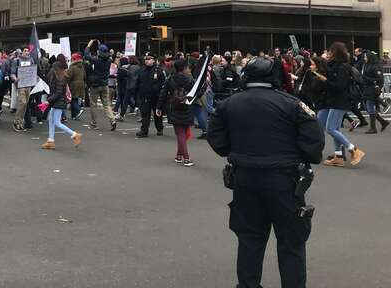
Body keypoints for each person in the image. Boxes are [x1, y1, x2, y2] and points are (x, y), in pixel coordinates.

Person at [207, 57, 325, 288]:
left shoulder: (230, 103)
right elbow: (314, 139)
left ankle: (248, 284)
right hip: (284, 179)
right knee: (291, 243)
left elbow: (216, 137)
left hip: (244, 178)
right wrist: (301, 156)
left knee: (249, 239)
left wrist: (234, 152)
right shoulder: (290, 103)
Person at [319, 42, 366, 166]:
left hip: (339, 102)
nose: (328, 54)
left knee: (331, 128)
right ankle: (338, 156)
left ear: (336, 53)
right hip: (333, 101)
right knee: (334, 129)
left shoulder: (342, 68)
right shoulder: (335, 66)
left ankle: (353, 149)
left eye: (331, 52)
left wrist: (325, 80)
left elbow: (339, 86)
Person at [156, 59, 195, 166]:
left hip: (174, 107)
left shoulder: (170, 79)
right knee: (183, 133)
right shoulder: (191, 80)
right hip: (187, 107)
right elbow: (197, 94)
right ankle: (186, 157)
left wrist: (159, 107)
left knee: (180, 133)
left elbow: (163, 94)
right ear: (184, 68)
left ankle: (179, 155)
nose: (189, 69)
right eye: (187, 67)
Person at [41, 55, 82, 150]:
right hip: (57, 102)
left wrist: (48, 100)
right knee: (51, 120)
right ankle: (50, 141)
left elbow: (58, 93)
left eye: (54, 68)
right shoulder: (60, 77)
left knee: (56, 122)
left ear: (57, 69)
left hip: (58, 103)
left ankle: (75, 135)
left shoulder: (60, 79)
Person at [86, 42, 117, 131]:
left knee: (94, 104)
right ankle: (112, 120)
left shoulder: (96, 60)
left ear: (99, 52)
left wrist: (89, 45)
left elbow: (87, 55)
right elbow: (108, 54)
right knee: (107, 105)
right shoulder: (109, 60)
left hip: (95, 85)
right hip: (104, 84)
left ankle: (94, 123)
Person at [357, 50, 388, 134]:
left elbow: (378, 79)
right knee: (367, 108)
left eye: (366, 57)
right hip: (367, 89)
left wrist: (366, 78)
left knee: (370, 107)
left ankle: (373, 128)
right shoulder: (367, 65)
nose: (364, 58)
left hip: (372, 89)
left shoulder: (375, 66)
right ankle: (383, 122)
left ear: (370, 58)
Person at [136, 53, 164, 137]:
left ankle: (159, 128)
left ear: (153, 60)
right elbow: (138, 82)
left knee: (157, 115)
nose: (147, 61)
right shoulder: (142, 70)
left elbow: (163, 84)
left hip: (156, 96)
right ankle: (144, 131)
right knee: (145, 114)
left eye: (149, 59)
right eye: (146, 59)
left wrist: (161, 96)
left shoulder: (158, 71)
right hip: (145, 96)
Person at [11, 47, 37, 133]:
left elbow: (33, 71)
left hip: (28, 84)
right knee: (22, 102)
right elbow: (12, 73)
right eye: (25, 51)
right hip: (20, 84)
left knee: (25, 104)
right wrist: (15, 78)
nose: (27, 52)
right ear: (22, 52)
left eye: (28, 51)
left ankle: (20, 122)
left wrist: (35, 77)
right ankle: (16, 122)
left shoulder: (31, 60)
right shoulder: (16, 60)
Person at [67, 53, 86, 120]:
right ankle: (73, 115)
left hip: (74, 84)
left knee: (73, 99)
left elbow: (69, 76)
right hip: (81, 83)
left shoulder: (72, 67)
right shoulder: (82, 66)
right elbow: (84, 76)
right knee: (76, 98)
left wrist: (67, 83)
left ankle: (78, 110)